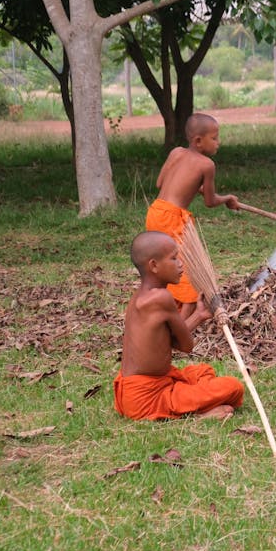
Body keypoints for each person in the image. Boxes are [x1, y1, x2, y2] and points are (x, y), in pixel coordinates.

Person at [113, 231, 243, 420]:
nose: (181, 264)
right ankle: (199, 413)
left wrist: (198, 315)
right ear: (154, 265)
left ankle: (192, 398)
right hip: (147, 398)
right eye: (174, 258)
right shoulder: (162, 298)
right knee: (233, 387)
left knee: (203, 371)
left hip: (134, 390)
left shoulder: (141, 296)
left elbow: (170, 340)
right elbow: (186, 346)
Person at [145, 113, 238, 318]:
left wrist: (189, 186)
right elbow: (210, 201)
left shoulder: (176, 152)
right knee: (185, 271)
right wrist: (228, 198)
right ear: (198, 141)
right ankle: (183, 324)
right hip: (172, 219)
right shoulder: (207, 165)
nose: (218, 143)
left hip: (155, 212)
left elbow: (160, 183)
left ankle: (165, 309)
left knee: (164, 263)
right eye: (214, 138)